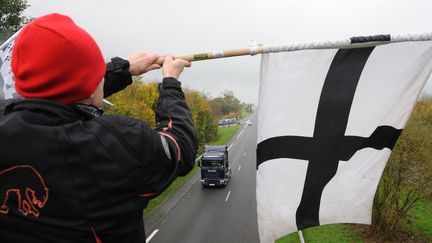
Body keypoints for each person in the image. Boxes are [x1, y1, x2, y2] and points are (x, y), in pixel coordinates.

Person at [0, 13, 197, 243]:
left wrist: (122, 69)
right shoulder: (117, 145)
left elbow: (63, 88)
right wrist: (170, 82)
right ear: (92, 84)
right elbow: (180, 146)